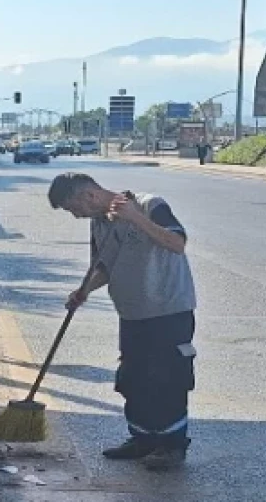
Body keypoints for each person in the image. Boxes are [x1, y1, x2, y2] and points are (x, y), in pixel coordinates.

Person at [48, 173, 198, 471]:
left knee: (167, 378)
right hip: (131, 312)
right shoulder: (99, 223)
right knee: (134, 379)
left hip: (168, 309)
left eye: (72, 207)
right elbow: (104, 267)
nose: (75, 215)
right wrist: (83, 291)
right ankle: (142, 439)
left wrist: (134, 218)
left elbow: (177, 243)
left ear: (89, 195)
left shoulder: (148, 205)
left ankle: (171, 446)